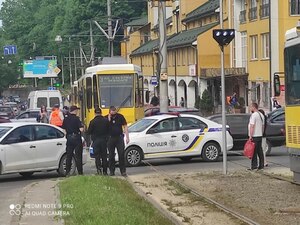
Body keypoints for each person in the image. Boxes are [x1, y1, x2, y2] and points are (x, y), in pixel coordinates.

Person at [107, 106, 129, 177]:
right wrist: (108, 119)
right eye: (112, 111)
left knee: (121, 154)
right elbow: (105, 128)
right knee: (111, 155)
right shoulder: (106, 118)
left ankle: (123, 171)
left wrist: (127, 137)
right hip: (110, 138)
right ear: (109, 112)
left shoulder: (120, 117)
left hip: (119, 137)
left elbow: (125, 126)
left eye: (114, 111)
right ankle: (111, 171)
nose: (113, 112)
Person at [61, 105, 84, 176]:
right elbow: (81, 129)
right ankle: (80, 172)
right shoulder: (77, 119)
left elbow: (64, 129)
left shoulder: (66, 118)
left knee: (69, 156)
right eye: (77, 110)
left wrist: (67, 135)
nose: (77, 111)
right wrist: (83, 126)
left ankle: (67, 172)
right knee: (78, 156)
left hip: (69, 138)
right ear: (75, 111)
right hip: (76, 138)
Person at [87, 107, 109, 175]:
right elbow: (109, 130)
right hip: (104, 140)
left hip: (96, 141)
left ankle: (99, 171)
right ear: (101, 113)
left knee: (97, 156)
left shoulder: (92, 121)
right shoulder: (106, 120)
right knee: (104, 156)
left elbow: (89, 132)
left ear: (95, 113)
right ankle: (105, 171)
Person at [248, 103, 265, 170]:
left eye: (250, 107)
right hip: (259, 135)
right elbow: (263, 126)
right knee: (259, 151)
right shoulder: (261, 115)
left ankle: (254, 166)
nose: (250, 108)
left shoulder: (254, 115)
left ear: (253, 107)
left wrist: (250, 136)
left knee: (254, 152)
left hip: (254, 135)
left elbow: (252, 126)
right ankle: (261, 165)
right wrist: (261, 133)